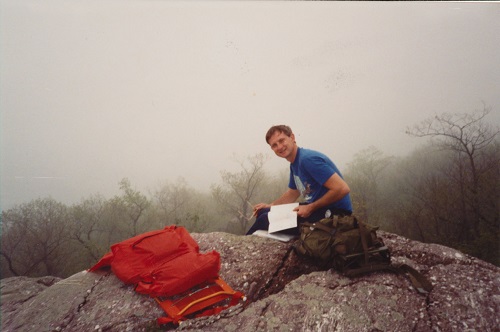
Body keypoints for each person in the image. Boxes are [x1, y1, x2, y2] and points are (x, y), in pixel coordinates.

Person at [246, 125, 352, 236]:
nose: (280, 147)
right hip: (318, 209)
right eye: (274, 145)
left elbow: (342, 189)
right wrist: (270, 205)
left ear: (292, 137)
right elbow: (293, 192)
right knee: (264, 212)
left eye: (282, 140)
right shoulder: (294, 163)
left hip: (335, 214)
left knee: (264, 220)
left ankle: (241, 246)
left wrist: (309, 208)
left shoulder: (307, 159)